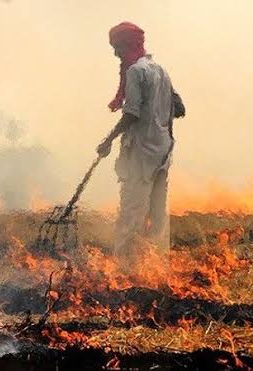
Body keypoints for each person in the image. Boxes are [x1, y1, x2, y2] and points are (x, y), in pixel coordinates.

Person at [96, 22, 185, 269]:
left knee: (130, 214)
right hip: (163, 155)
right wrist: (158, 115)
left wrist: (108, 140)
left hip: (140, 155)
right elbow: (180, 107)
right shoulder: (160, 70)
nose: (116, 54)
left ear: (131, 45)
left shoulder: (136, 72)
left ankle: (124, 272)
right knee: (157, 216)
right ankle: (156, 270)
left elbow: (131, 113)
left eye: (118, 48)